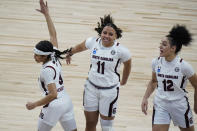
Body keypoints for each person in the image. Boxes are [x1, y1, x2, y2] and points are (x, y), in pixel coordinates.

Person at [65, 14, 132, 131]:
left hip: (109, 91)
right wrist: (70, 53)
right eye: (104, 33)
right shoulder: (93, 42)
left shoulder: (121, 50)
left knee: (106, 127)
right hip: (91, 88)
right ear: (101, 32)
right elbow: (79, 47)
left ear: (116, 36)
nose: (106, 36)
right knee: (90, 123)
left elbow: (128, 63)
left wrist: (124, 80)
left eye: (110, 34)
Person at [25, 0, 77, 131]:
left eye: (38, 55)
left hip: (54, 105)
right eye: (34, 53)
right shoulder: (53, 54)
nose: (34, 56)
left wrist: (35, 104)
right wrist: (46, 15)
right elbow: (53, 34)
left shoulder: (46, 71)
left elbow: (53, 94)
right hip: (66, 101)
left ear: (45, 56)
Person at [141, 25, 197, 131]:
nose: (160, 47)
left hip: (179, 105)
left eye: (164, 44)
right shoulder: (156, 62)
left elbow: (196, 85)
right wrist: (145, 98)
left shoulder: (184, 66)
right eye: (160, 44)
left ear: (173, 48)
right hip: (161, 104)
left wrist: (196, 104)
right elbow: (153, 82)